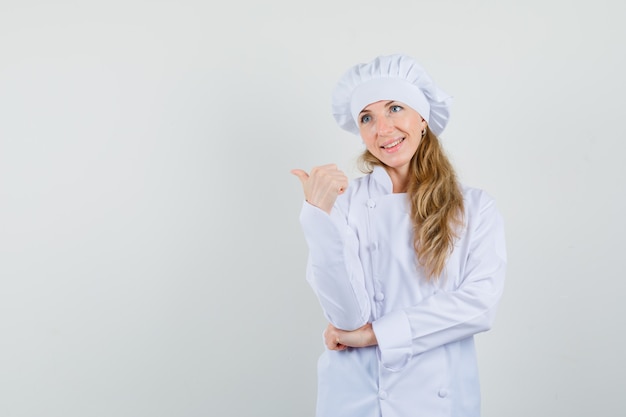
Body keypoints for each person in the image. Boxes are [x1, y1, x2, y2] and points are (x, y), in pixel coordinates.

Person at [291, 54, 506, 417]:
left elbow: (479, 306)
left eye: (394, 108)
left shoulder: (474, 207)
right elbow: (346, 317)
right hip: (353, 396)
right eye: (367, 118)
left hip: (437, 399)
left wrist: (374, 335)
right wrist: (317, 217)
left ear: (422, 119)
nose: (383, 128)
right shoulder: (345, 204)